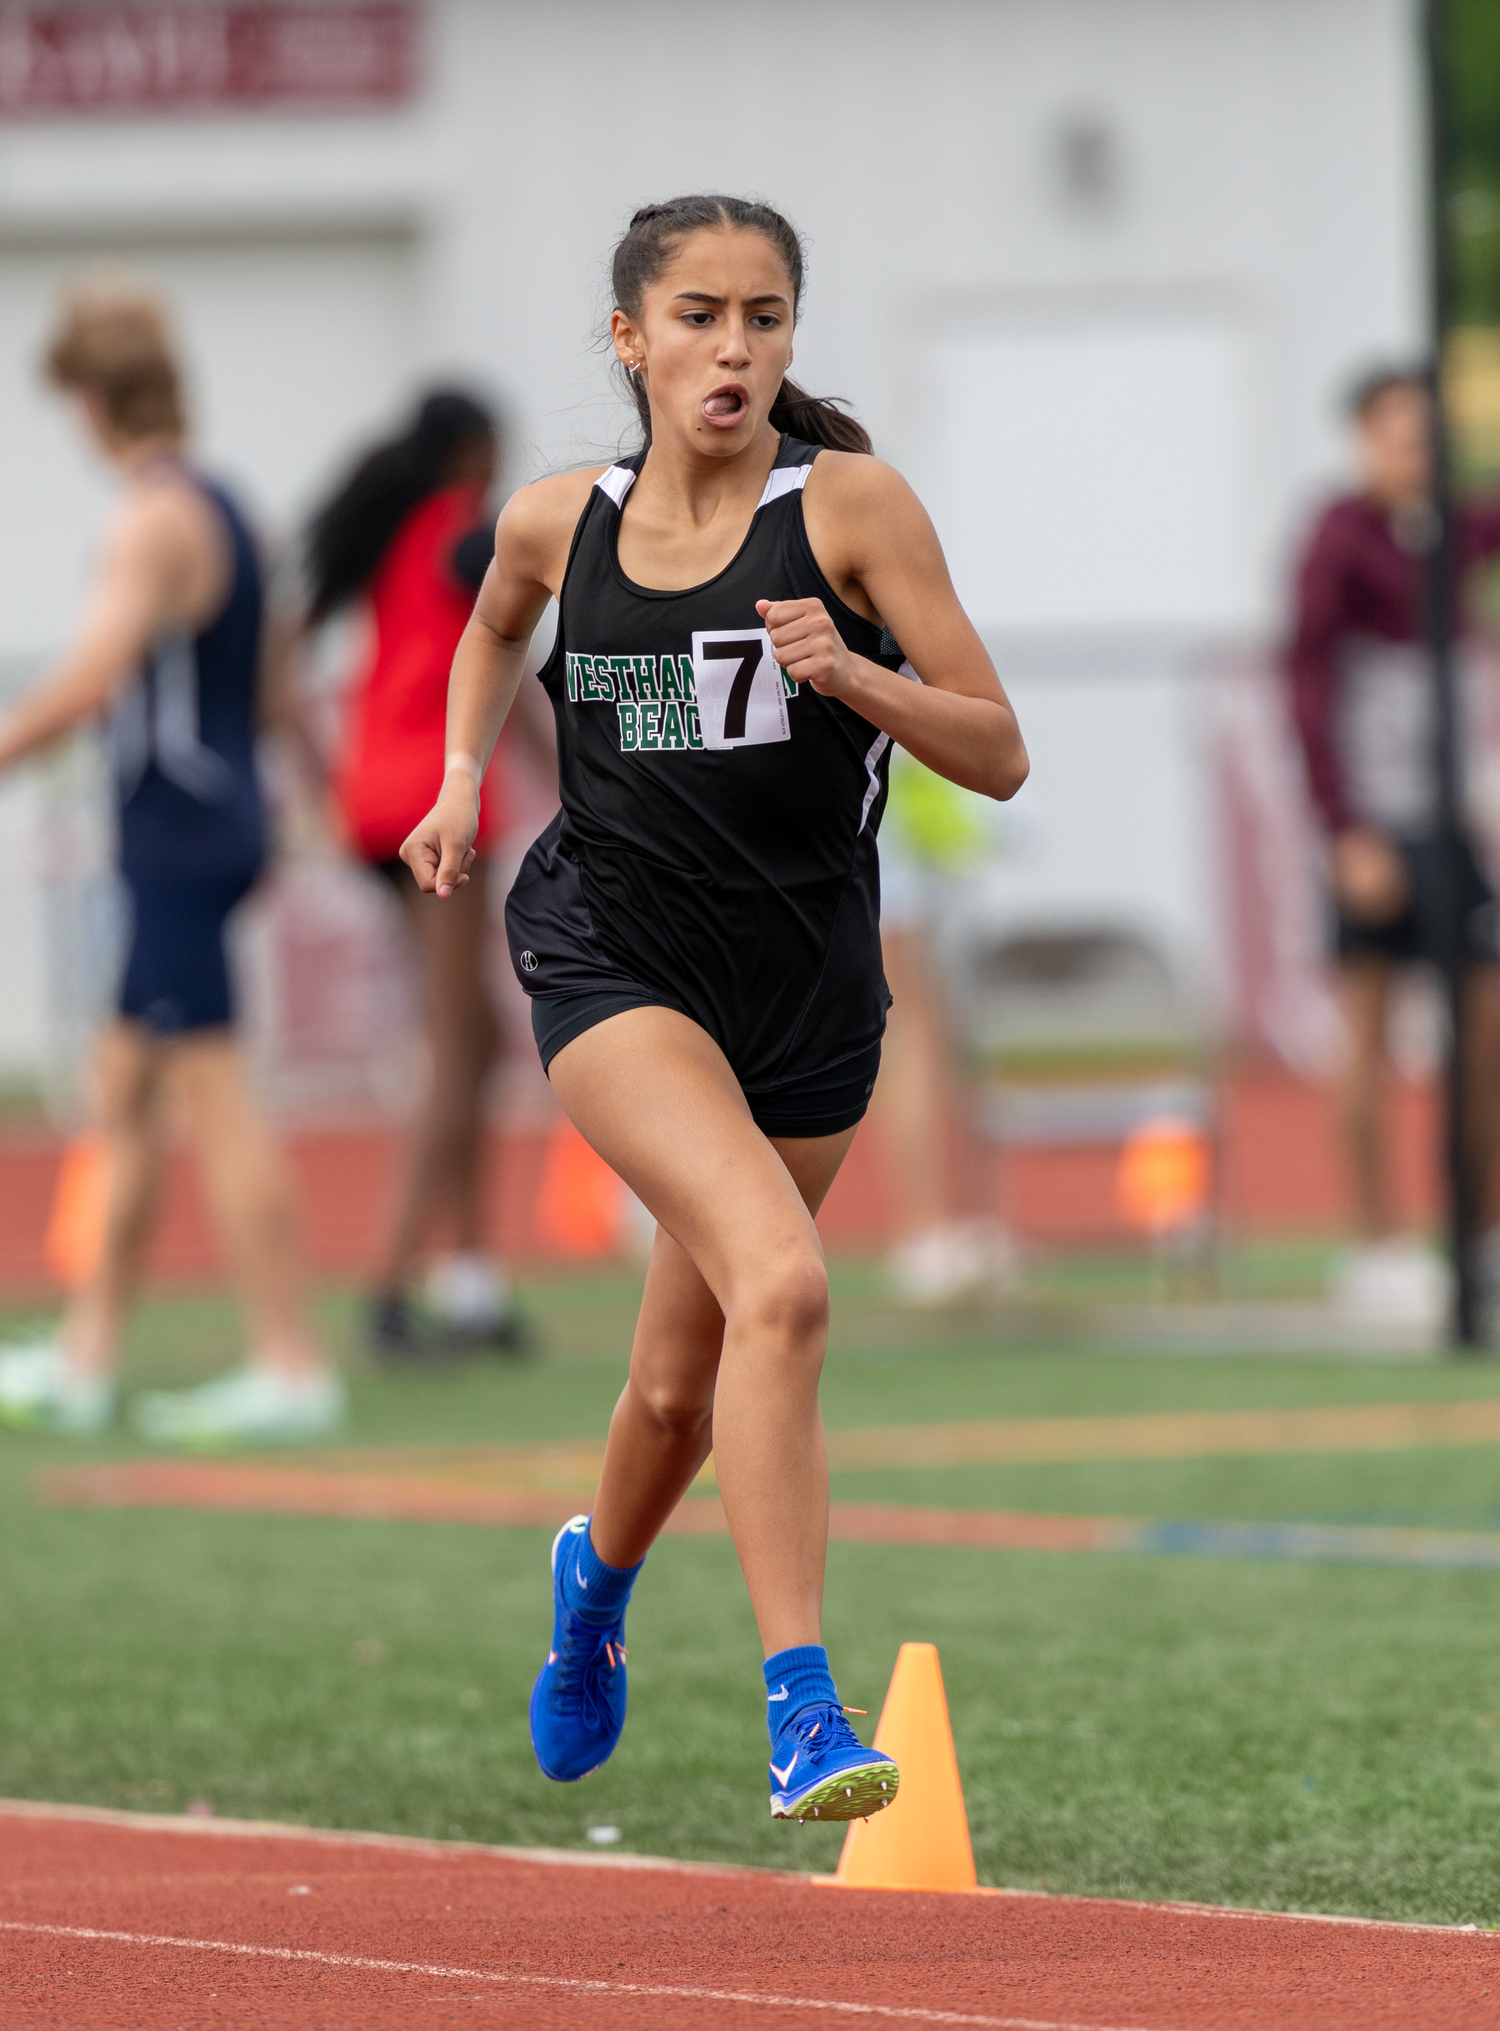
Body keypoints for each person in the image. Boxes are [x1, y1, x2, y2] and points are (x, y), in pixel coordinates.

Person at [402, 195, 1028, 1823]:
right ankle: (804, 1708)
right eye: (696, 316)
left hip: (807, 995)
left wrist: (859, 675)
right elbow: (487, 628)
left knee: (684, 1385)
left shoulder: (855, 512)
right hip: (617, 962)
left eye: (761, 317)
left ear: (791, 341)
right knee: (789, 1286)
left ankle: (592, 1584)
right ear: (632, 341)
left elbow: (998, 749)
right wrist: (463, 777)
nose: (731, 347)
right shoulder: (557, 522)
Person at [0, 283, 340, 1445]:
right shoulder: (227, 507)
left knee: (216, 1098)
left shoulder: (152, 517)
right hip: (208, 820)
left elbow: (94, 679)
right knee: (126, 1093)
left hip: (180, 836)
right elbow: (270, 686)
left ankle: (291, 1363)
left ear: (94, 401)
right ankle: (87, 1355)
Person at [302, 390, 526, 1361]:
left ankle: (470, 1279)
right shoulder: (466, 536)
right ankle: (390, 1287)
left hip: (373, 799)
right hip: (436, 805)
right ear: (473, 453)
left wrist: (323, 777)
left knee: (471, 1039)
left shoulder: (395, 535)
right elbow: (514, 654)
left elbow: (285, 656)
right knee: (454, 1046)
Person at [1285, 365, 1500, 1322]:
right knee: (1367, 1026)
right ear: (1366, 438)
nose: (1417, 447)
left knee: (1484, 1023)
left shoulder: (1461, 528)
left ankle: (1480, 1233)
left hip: (1457, 820)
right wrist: (1343, 828)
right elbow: (1309, 685)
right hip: (1375, 820)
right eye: (1398, 431)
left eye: (1428, 430)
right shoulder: (1339, 538)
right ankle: (1377, 1242)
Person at [875, 753, 1021, 1304]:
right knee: (912, 1038)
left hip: (905, 854)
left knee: (934, 1040)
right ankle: (922, 1230)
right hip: (883, 854)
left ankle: (952, 1223)